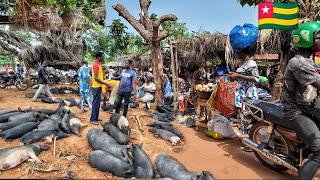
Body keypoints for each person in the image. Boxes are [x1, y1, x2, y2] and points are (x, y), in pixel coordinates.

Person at [281, 22, 320, 180]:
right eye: (319, 37)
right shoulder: (298, 62)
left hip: (309, 106)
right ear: (307, 39)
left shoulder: (310, 61)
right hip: (295, 111)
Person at [90, 52, 111, 125]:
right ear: (98, 57)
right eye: (102, 56)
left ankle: (96, 117)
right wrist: (105, 83)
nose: (103, 58)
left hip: (98, 86)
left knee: (97, 103)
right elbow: (96, 78)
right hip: (96, 86)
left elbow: (99, 75)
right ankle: (93, 119)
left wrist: (105, 71)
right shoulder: (96, 65)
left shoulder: (98, 64)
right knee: (95, 103)